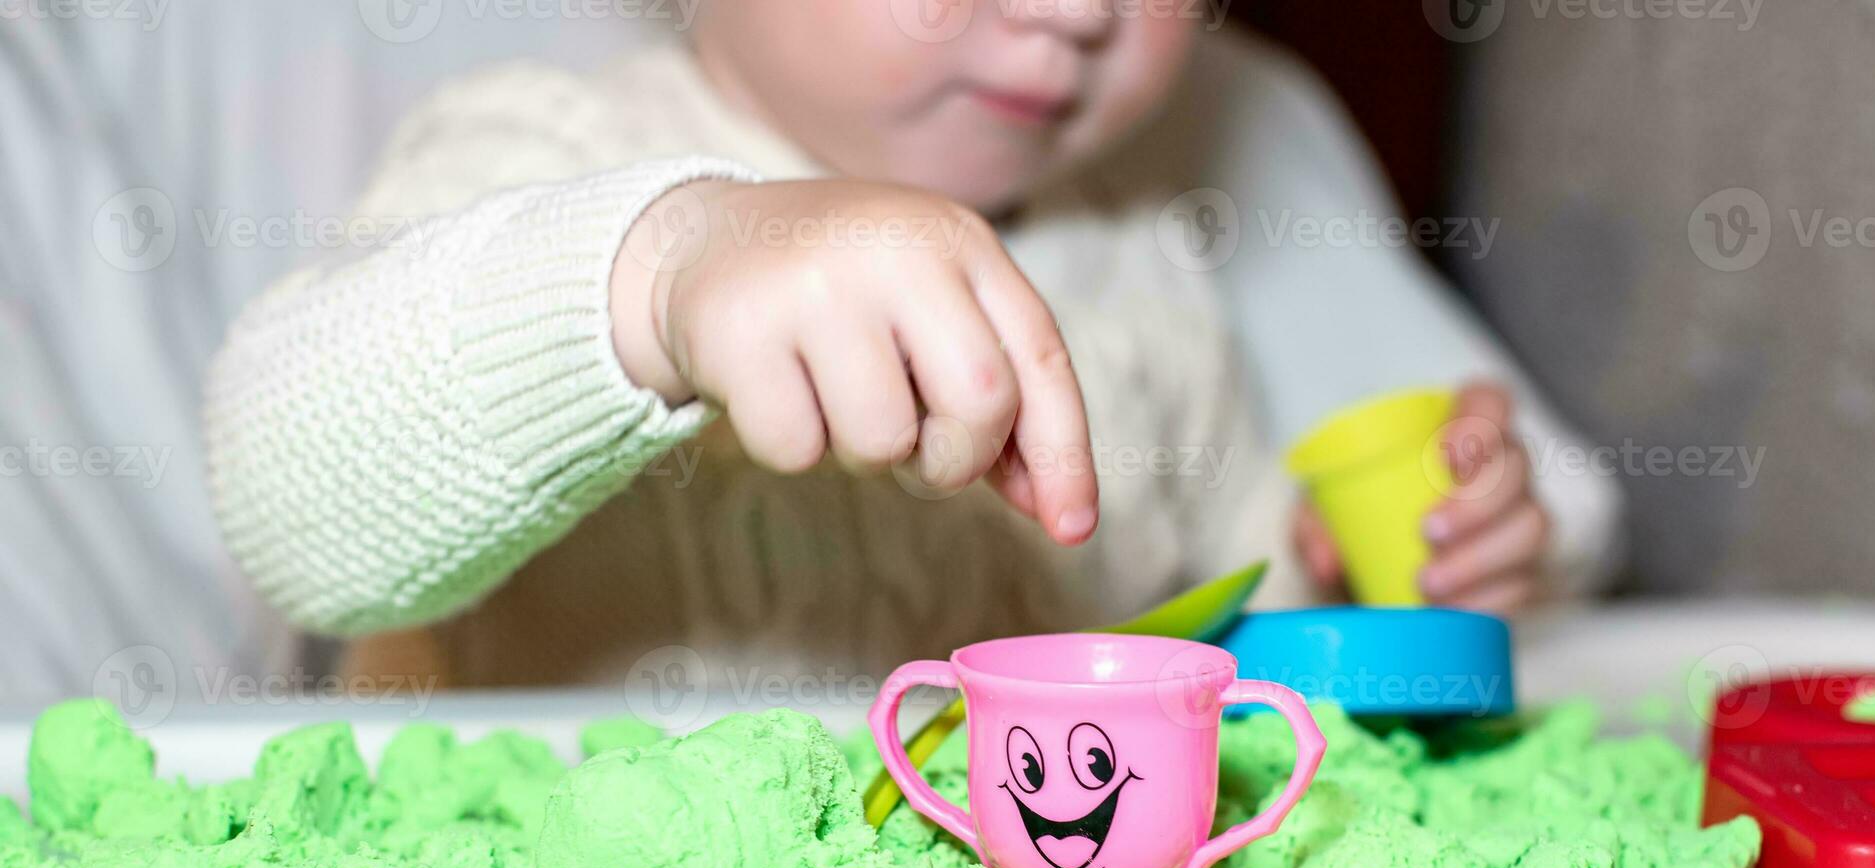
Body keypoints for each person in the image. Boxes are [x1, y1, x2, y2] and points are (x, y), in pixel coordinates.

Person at [205, 1, 1620, 687]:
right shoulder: (544, 162)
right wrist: (654, 283)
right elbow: (288, 512)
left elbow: (1202, 629)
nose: (1069, 14)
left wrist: (1353, 567)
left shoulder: (1141, 257)